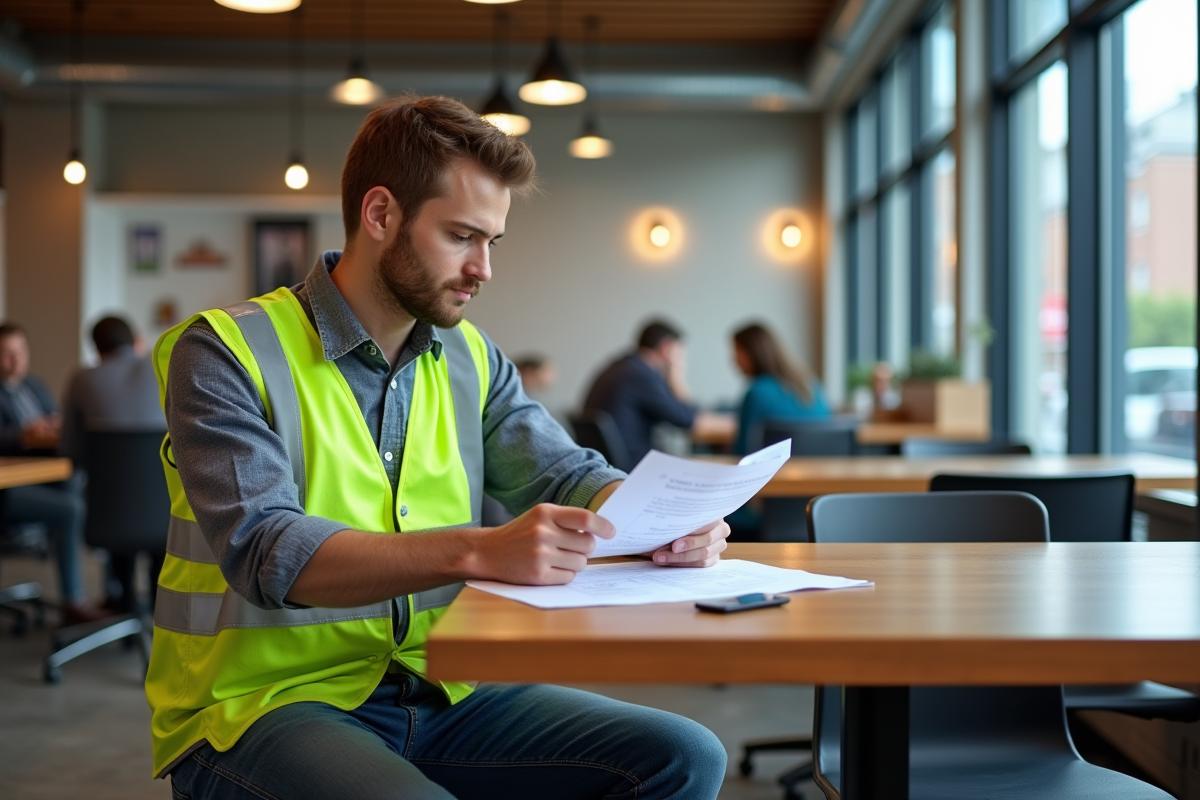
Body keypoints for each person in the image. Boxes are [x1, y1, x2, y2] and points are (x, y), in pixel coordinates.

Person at [150, 95, 729, 800]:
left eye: (492, 242)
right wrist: (479, 549)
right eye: (462, 237)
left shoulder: (470, 357)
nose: (483, 269)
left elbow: (564, 472)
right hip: (260, 707)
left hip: (438, 686)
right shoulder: (224, 351)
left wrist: (656, 520)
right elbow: (267, 549)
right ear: (381, 214)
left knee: (684, 755)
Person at [61, 315, 167, 613]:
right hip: (166, 516)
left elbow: (70, 451)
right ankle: (160, 609)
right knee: (153, 510)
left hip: (108, 516)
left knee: (121, 505)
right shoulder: (164, 369)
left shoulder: (82, 379)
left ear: (96, 349)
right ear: (136, 341)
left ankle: (124, 602)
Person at [0, 322, 103, 625]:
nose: (15, 360)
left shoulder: (35, 385)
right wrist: (24, 433)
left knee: (87, 488)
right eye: (6, 354)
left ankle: (114, 590)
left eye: (20, 352)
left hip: (44, 478)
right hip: (9, 490)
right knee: (71, 508)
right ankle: (74, 600)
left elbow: (56, 422)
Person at [583, 320, 698, 465]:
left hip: (607, 465)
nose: (682, 359)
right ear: (666, 347)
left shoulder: (621, 367)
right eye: (680, 352)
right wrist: (677, 377)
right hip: (633, 467)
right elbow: (687, 419)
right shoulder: (641, 375)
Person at [731, 322, 829, 455]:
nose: (733, 360)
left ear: (752, 352)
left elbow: (743, 452)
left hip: (773, 475)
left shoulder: (756, 394)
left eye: (737, 352)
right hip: (819, 473)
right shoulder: (812, 386)